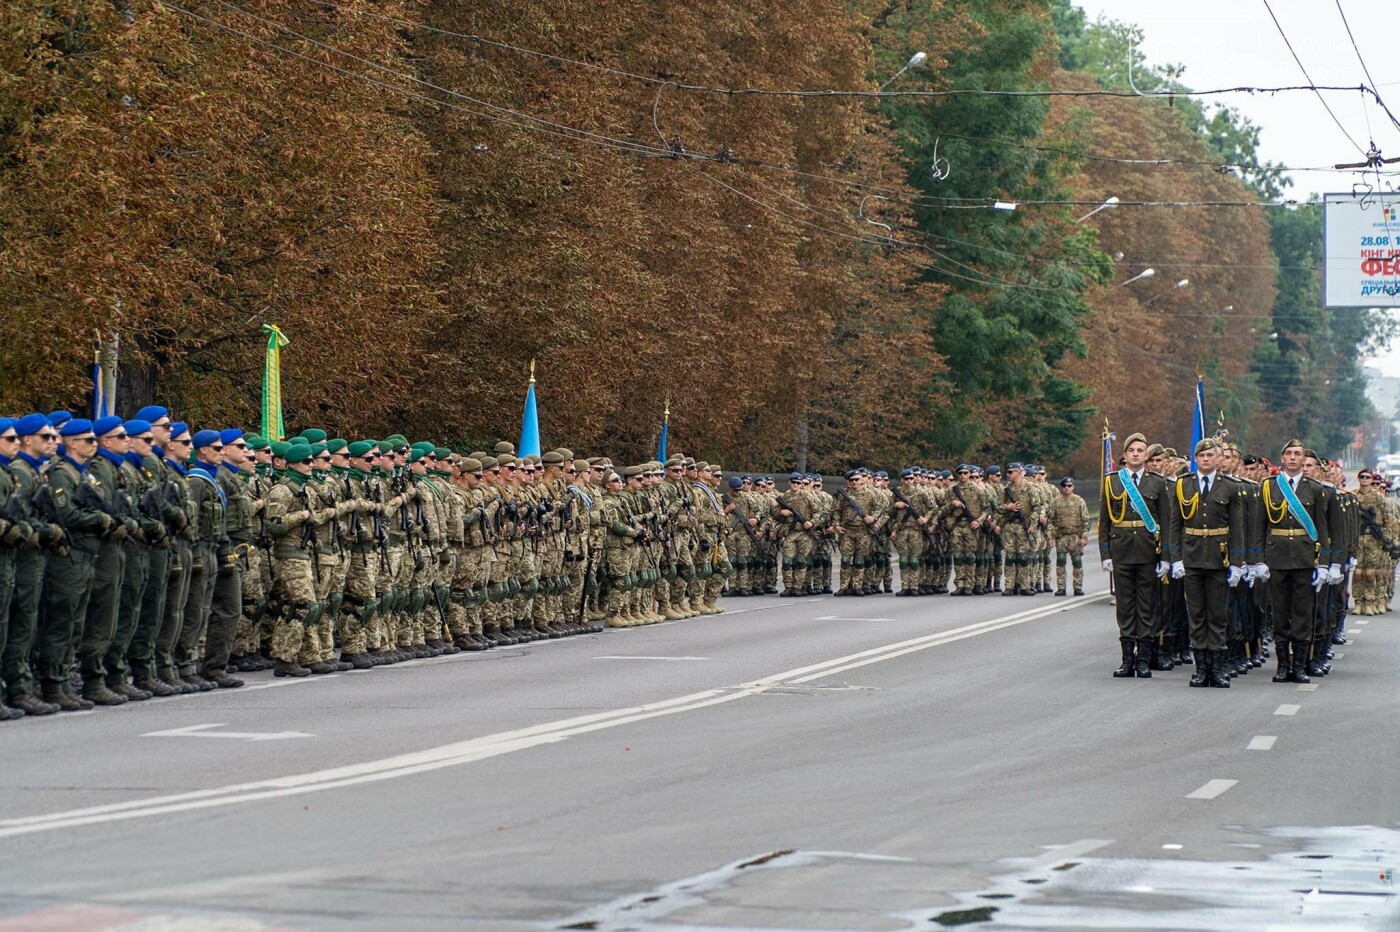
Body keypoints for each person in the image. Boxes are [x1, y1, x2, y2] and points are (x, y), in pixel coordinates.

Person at [1165, 438, 1246, 688]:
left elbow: (1237, 527)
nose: (1207, 459)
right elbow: (1175, 524)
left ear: (1217, 458)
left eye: (1211, 455)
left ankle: (1218, 668)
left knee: (1218, 615)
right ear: (1195, 459)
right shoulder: (1183, 485)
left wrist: (1236, 562)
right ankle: (1201, 669)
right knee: (1197, 615)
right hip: (1191, 558)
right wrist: (1175, 558)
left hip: (1219, 559)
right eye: (1202, 456)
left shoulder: (1230, 487)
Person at [1258, 440, 1332, 684]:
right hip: (1277, 557)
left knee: (1302, 614)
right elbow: (1260, 526)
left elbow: (1322, 528)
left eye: (1297, 454)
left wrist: (1323, 564)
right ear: (1282, 458)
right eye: (1288, 453)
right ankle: (1282, 666)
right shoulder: (1269, 487)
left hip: (1304, 558)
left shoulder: (1316, 489)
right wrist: (1259, 560)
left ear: (1304, 460)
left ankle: (1299, 665)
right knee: (1280, 613)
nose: (1292, 457)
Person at [1099, 432, 1172, 678]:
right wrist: (1105, 554)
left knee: (1146, 607)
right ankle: (1127, 660)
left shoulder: (1157, 483)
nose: (1136, 454)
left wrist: (1166, 557)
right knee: (1125, 607)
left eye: (1141, 451)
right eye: (1132, 451)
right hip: (1121, 551)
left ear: (1146, 455)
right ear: (1125, 454)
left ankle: (1143, 660)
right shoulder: (1112, 481)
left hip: (1147, 550)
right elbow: (1105, 521)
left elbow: (1166, 522)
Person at [1049, 477, 1089, 596]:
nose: (1067, 488)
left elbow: (1086, 520)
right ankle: (1061, 587)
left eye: (1069, 486)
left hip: (1075, 536)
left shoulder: (1079, 501)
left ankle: (1078, 587)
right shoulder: (1056, 501)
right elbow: (1051, 519)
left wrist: (1084, 536)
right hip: (1061, 536)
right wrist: (1050, 536)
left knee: (1077, 561)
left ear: (1073, 487)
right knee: (1061, 560)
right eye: (1065, 486)